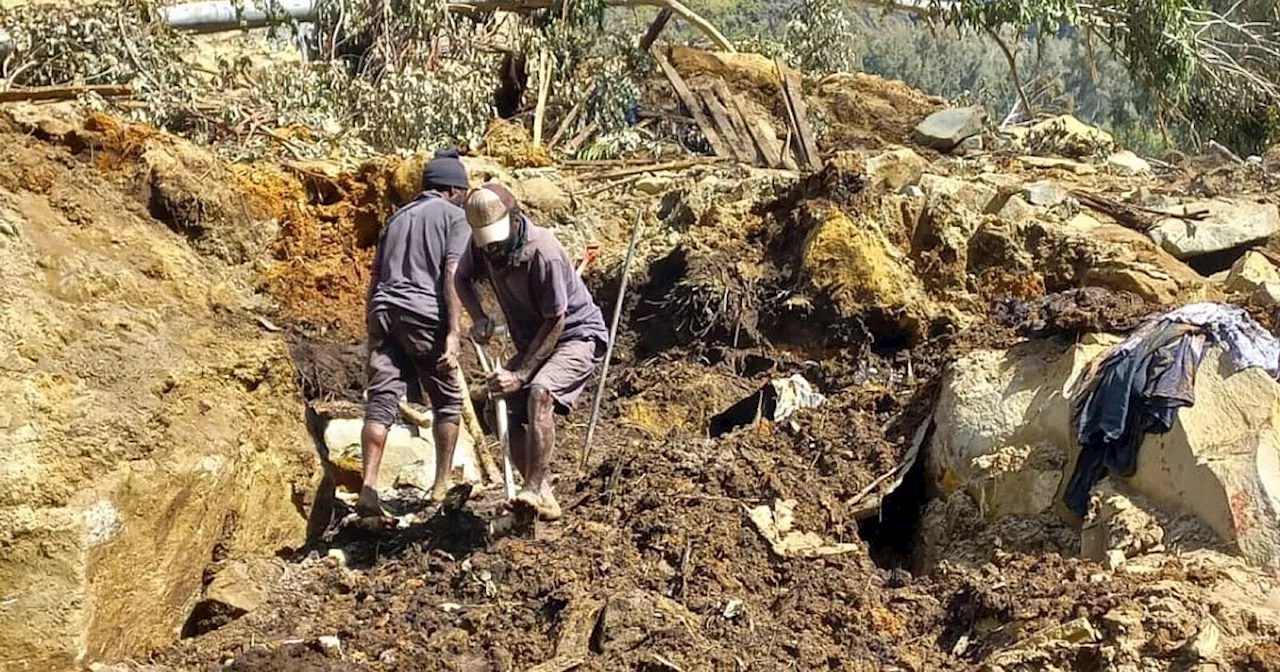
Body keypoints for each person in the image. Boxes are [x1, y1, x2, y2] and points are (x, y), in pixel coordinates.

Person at [457, 182, 608, 521]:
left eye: (496, 242)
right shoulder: (484, 245)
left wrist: (522, 374)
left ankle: (533, 487)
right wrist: (479, 316)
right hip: (534, 342)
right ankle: (541, 495)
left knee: (539, 392)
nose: (492, 251)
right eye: (486, 244)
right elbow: (461, 278)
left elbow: (556, 320)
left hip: (575, 336)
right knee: (498, 410)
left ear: (515, 218)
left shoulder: (544, 251)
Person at [358, 148, 471, 518]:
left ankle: (369, 488)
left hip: (383, 312)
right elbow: (452, 272)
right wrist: (454, 333)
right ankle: (440, 486)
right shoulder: (455, 218)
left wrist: (372, 327)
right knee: (448, 399)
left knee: (380, 400)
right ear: (453, 190)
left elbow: (374, 278)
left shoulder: (396, 219)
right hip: (423, 314)